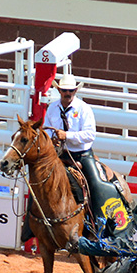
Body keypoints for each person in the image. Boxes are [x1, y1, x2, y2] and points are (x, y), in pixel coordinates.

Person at [42, 72, 98, 201]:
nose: (68, 93)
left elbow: (90, 135)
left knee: (96, 184)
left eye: (71, 90)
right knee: (40, 179)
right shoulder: (52, 108)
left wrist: (66, 135)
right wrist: (52, 138)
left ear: (75, 90)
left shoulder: (84, 109)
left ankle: (99, 216)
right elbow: (46, 128)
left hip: (81, 154)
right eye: (64, 90)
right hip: (60, 153)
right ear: (59, 90)